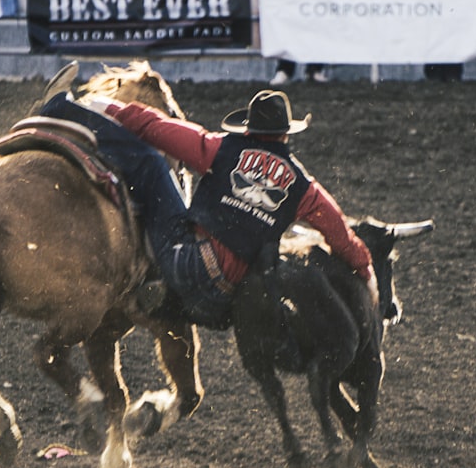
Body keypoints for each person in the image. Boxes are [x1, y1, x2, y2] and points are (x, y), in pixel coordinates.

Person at [39, 88, 377, 331]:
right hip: (229, 297)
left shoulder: (222, 148)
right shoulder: (305, 188)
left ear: (248, 129)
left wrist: (109, 107)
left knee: (152, 166)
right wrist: (365, 272)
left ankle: (63, 109)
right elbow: (341, 235)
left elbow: (155, 127)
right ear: (286, 135)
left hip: (186, 265)